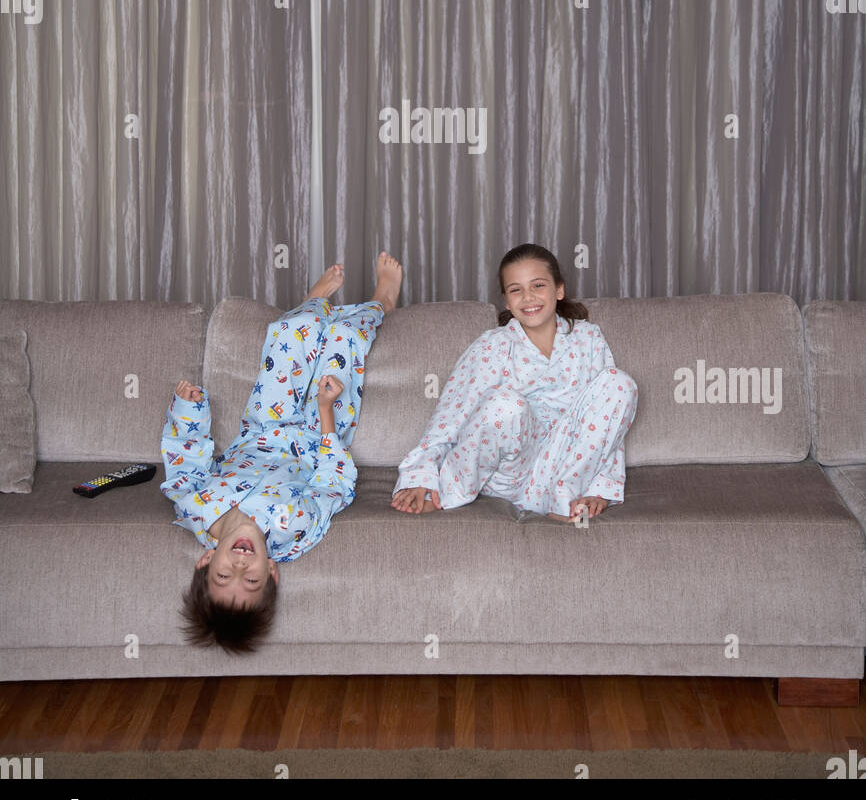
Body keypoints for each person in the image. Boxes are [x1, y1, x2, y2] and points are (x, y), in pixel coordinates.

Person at [161, 252, 402, 654]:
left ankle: (311, 306)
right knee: (346, 339)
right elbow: (335, 485)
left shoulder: (193, 507)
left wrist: (189, 408)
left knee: (290, 328)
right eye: (251, 580)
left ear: (205, 562)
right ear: (271, 571)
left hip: (264, 425)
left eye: (224, 576)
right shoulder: (293, 530)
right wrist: (326, 414)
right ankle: (383, 301)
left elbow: (185, 460)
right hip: (318, 433)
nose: (240, 567)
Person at [391, 243, 637, 522]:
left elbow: (610, 427)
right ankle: (444, 495)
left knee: (621, 384)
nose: (528, 297)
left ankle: (564, 503)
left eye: (538, 286)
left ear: (559, 290)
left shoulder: (588, 338)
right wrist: (421, 474)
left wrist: (599, 490)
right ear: (507, 301)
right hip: (510, 476)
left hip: (566, 470)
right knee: (505, 404)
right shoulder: (493, 345)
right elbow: (451, 414)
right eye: (516, 290)